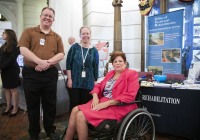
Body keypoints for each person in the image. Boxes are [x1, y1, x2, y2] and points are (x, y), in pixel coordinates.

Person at [65, 51, 139, 140]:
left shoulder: (132, 74)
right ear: (112, 64)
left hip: (119, 106)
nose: (118, 63)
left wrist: (107, 103)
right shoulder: (110, 73)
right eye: (115, 61)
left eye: (120, 61)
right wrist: (95, 96)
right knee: (74, 109)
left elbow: (130, 96)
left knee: (80, 115)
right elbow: (99, 86)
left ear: (125, 63)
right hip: (103, 101)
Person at [18, 7, 64, 140]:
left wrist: (47, 63)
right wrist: (39, 62)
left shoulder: (57, 37)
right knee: (32, 105)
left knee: (50, 104)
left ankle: (50, 130)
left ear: (53, 20)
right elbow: (22, 49)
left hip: (50, 74)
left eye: (50, 16)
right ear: (40, 16)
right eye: (45, 15)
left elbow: (61, 54)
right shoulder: (29, 31)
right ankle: (34, 133)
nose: (47, 18)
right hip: (31, 74)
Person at [66, 26, 99, 113]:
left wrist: (95, 82)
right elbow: (68, 64)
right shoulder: (74, 48)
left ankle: (82, 125)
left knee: (85, 106)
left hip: (88, 83)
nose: (85, 35)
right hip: (75, 81)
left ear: (90, 35)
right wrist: (69, 79)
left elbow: (96, 67)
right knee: (74, 104)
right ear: (80, 35)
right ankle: (72, 125)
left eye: (87, 33)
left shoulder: (94, 51)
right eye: (83, 33)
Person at [0, 29, 20, 117]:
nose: (2, 34)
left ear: (9, 34)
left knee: (13, 90)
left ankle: (15, 108)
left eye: (4, 33)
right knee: (6, 89)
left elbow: (11, 59)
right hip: (4, 70)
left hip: (12, 70)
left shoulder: (15, 45)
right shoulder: (4, 45)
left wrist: (1, 67)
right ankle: (8, 106)